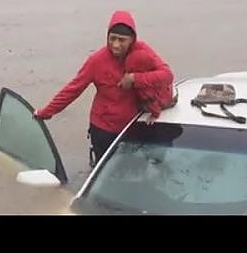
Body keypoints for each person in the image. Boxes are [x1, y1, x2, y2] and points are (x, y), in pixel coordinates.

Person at [33, 10, 173, 167]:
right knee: (105, 172)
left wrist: (135, 79)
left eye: (122, 40)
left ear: (132, 39)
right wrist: (47, 112)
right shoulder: (96, 61)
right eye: (112, 39)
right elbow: (73, 89)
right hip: (103, 128)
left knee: (134, 170)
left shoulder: (142, 52)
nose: (116, 45)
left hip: (134, 125)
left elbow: (167, 75)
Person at [124, 49, 175, 124]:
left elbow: (151, 101)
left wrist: (155, 115)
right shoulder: (154, 76)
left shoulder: (145, 88)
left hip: (160, 103)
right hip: (168, 95)